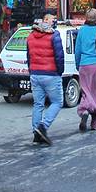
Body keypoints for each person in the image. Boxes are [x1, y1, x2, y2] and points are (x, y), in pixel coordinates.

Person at [26, 11, 64, 145]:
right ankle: (43, 127)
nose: (54, 22)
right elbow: (59, 56)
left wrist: (31, 71)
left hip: (35, 74)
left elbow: (29, 56)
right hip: (51, 74)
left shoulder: (30, 36)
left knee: (38, 104)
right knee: (57, 102)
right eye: (53, 19)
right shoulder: (54, 35)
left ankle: (36, 133)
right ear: (46, 20)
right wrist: (60, 72)